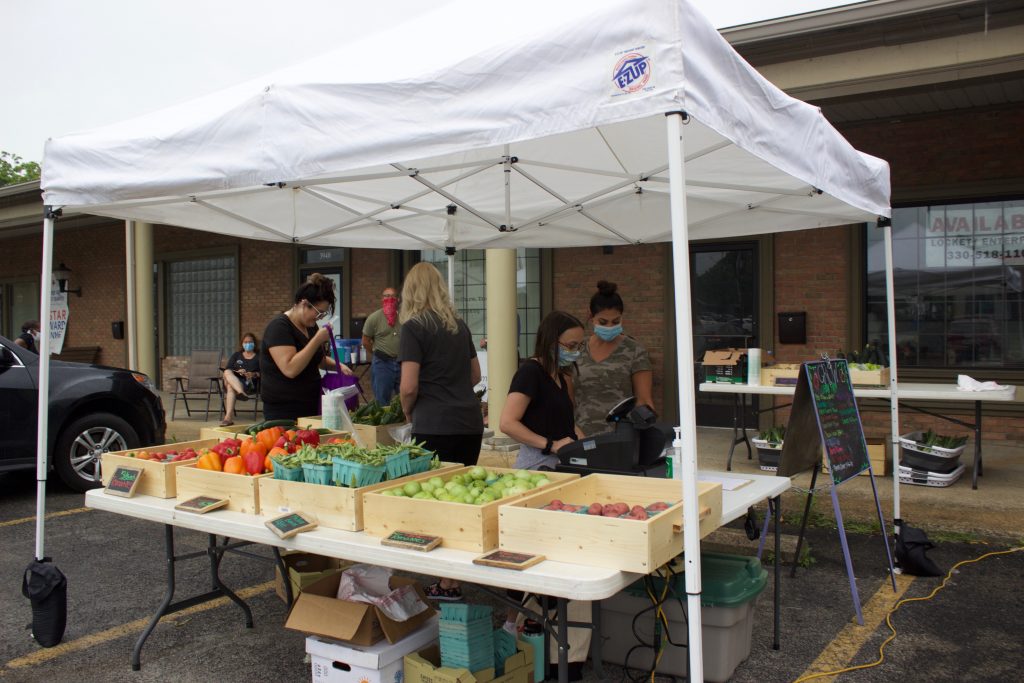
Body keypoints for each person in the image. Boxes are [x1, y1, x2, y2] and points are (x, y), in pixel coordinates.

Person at [398, 262, 483, 603]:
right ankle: (455, 575)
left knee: (438, 503)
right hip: (469, 424)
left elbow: (408, 386)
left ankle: (447, 583)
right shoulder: (459, 327)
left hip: (434, 425)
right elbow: (476, 376)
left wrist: (408, 411)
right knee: (464, 500)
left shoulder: (413, 328)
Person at [500, 311, 585, 471]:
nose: (576, 352)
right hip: (538, 466)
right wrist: (551, 445)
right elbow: (507, 423)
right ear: (551, 342)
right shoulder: (530, 372)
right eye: (572, 346)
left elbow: (566, 424)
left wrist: (585, 445)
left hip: (562, 462)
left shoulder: (560, 375)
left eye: (580, 346)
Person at [260, 274, 352, 421]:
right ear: (304, 303)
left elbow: (317, 359)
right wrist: (316, 340)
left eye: (324, 313)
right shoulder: (279, 327)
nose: (320, 317)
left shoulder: (310, 327)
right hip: (284, 411)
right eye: (318, 312)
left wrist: (338, 365)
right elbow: (290, 369)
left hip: (310, 404)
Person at [574, 280, 653, 436]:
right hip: (579, 437)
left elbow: (643, 401)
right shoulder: (577, 350)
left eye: (615, 321)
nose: (609, 327)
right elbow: (567, 399)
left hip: (621, 437)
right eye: (603, 322)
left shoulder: (634, 350)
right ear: (591, 316)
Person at [361, 286, 402, 404]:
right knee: (382, 399)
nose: (389, 299)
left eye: (392, 296)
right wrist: (375, 353)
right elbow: (365, 341)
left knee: (404, 398)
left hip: (401, 362)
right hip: (382, 363)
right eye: (386, 296)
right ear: (382, 299)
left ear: (397, 299)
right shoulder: (373, 318)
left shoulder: (404, 317)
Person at [220, 332, 261, 426]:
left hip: (250, 383)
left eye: (250, 342)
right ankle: (241, 393)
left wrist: (253, 374)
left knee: (230, 386)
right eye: (245, 342)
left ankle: (228, 418)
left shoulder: (259, 356)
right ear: (242, 343)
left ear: (254, 343)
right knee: (227, 372)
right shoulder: (237, 355)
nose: (248, 344)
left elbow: (265, 372)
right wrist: (238, 371)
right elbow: (228, 369)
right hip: (236, 379)